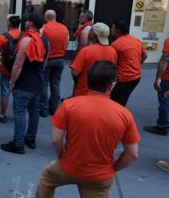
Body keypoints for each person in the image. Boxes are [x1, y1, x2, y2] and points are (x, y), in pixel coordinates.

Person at [36, 60, 140, 197]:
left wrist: (62, 157)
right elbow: (132, 153)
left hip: (69, 167)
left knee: (47, 178)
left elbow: (56, 139)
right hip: (100, 176)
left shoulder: (68, 105)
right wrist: (112, 168)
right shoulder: (124, 114)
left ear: (87, 80)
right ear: (112, 85)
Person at [0, 13, 49, 155]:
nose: (26, 22)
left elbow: (18, 65)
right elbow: (44, 62)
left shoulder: (26, 40)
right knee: (34, 111)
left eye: (28, 21)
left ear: (31, 24)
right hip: (38, 81)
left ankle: (18, 143)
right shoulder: (45, 40)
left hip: (24, 82)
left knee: (20, 112)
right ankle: (30, 139)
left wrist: (12, 82)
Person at [70, 23, 117, 97]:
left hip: (84, 93)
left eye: (91, 30)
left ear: (94, 35)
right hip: (104, 94)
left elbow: (75, 73)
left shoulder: (85, 51)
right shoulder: (112, 51)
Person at [110, 20, 147, 106]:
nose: (111, 29)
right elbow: (145, 56)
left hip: (123, 79)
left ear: (118, 31)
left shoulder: (116, 44)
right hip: (136, 77)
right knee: (123, 98)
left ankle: (118, 117)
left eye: (113, 28)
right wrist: (136, 64)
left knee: (116, 101)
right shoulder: (136, 40)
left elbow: (112, 64)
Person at [0, 14, 22, 123]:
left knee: (5, 92)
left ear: (9, 23)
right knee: (18, 91)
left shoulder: (4, 37)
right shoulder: (24, 36)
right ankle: (18, 113)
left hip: (6, 69)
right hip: (20, 69)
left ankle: (2, 114)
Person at [40, 10, 69, 117]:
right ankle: (54, 108)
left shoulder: (44, 28)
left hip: (48, 59)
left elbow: (41, 43)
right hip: (60, 59)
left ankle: (43, 108)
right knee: (55, 84)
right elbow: (66, 43)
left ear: (45, 17)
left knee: (44, 83)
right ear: (55, 17)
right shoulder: (64, 28)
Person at [144, 37, 169, 136]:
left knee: (164, 101)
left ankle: (162, 127)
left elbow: (164, 60)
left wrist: (158, 78)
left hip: (167, 78)